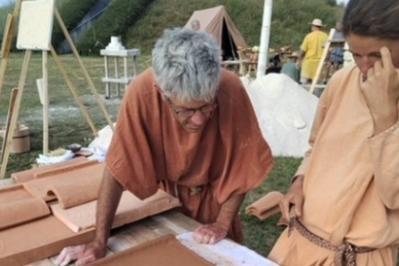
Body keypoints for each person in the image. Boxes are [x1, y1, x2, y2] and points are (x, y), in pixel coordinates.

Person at [55, 28, 273, 265]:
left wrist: (222, 223)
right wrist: (99, 241)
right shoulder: (141, 92)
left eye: (206, 107)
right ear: (162, 93)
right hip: (167, 202)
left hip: (216, 202)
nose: (199, 120)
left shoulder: (230, 88)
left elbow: (244, 167)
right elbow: (117, 167)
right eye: (186, 110)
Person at [269, 0, 399, 265]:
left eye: (375, 55)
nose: (363, 66)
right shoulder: (341, 81)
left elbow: (394, 196)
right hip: (299, 242)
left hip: (360, 257)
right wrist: (299, 182)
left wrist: (386, 120)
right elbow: (316, 146)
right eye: (356, 53)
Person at [299, 18, 328, 84]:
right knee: (316, 86)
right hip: (320, 64)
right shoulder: (325, 36)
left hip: (308, 63)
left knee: (304, 86)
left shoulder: (309, 36)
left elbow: (303, 50)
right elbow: (328, 50)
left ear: (313, 26)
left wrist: (299, 59)